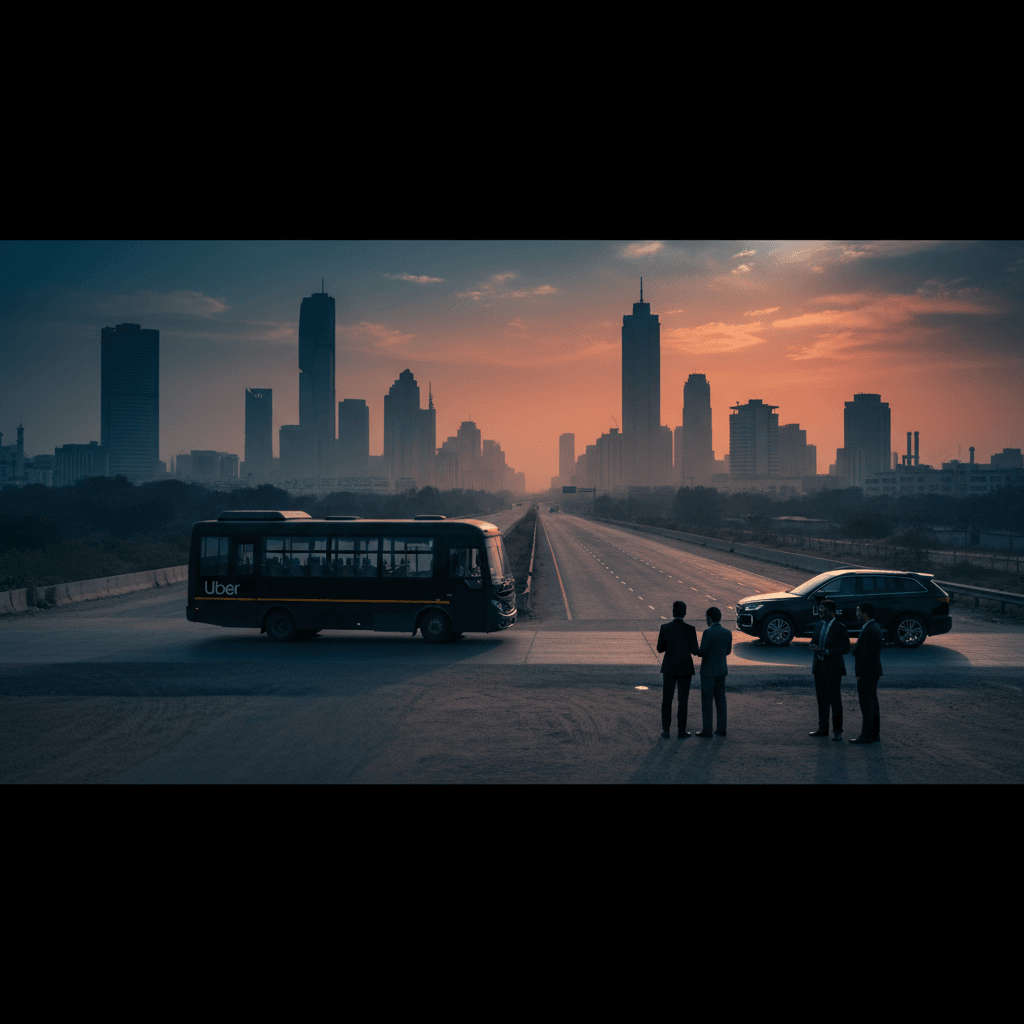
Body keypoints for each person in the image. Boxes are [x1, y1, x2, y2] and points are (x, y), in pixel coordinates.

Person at [808, 598, 850, 740]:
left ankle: (837, 731)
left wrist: (826, 651)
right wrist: (813, 646)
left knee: (835, 700)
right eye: (819, 611)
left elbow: (845, 649)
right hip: (819, 668)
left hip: (833, 669)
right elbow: (813, 640)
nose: (820, 613)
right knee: (821, 699)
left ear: (831, 612)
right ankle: (823, 728)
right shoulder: (818, 625)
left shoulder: (840, 627)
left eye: (823, 611)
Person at [657, 601, 699, 739]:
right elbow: (694, 650)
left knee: (667, 700)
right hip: (685, 667)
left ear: (673, 612)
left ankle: (666, 730)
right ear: (685, 612)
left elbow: (660, 648)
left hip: (669, 667)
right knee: (683, 700)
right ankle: (681, 730)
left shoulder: (665, 628)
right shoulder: (690, 629)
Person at [696, 606, 732, 737]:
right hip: (721, 670)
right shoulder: (728, 632)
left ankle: (707, 730)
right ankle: (721, 728)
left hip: (708, 672)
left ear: (709, 618)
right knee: (721, 700)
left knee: (707, 701)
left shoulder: (708, 632)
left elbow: (702, 652)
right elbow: (728, 651)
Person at [851, 602, 883, 744]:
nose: (856, 613)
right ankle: (874, 733)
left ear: (864, 613)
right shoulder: (874, 627)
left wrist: (859, 673)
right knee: (872, 702)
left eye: (858, 611)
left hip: (866, 672)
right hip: (874, 671)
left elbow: (865, 655)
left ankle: (866, 735)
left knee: (866, 705)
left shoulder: (869, 630)